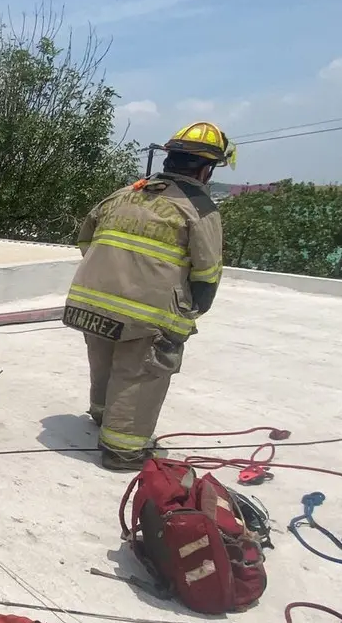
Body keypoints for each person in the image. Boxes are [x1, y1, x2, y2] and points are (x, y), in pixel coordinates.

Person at [63, 121, 231, 471]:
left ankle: (103, 416)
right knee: (140, 373)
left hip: (90, 301)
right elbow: (206, 274)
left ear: (169, 159)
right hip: (146, 313)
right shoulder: (199, 208)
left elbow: (85, 241)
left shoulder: (124, 193)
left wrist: (112, 279)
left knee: (104, 361)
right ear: (205, 168)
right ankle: (122, 449)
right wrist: (189, 311)